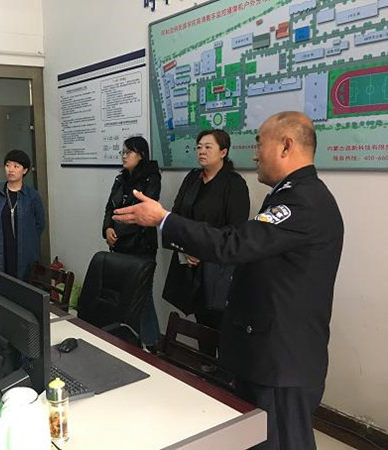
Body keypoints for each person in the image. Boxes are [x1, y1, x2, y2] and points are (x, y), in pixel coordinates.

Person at [112, 112, 344, 450]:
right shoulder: (288, 194)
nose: (254, 154)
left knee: (282, 442)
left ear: (286, 146)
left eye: (260, 145)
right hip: (264, 354)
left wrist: (164, 220)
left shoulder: (304, 201)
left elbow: (233, 244)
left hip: (282, 361)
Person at [163, 129, 249, 357]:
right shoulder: (193, 178)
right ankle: (205, 364)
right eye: (199, 147)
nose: (201, 151)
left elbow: (236, 230)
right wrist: (186, 250)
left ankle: (221, 371)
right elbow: (176, 217)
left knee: (219, 322)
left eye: (208, 147)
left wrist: (202, 251)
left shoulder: (234, 184)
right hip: (190, 263)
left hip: (217, 268)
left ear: (223, 152)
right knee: (200, 319)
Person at [102, 136, 161, 352]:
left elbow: (143, 215)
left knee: (143, 296)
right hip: (119, 247)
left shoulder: (151, 179)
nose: (124, 156)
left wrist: (117, 231)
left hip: (141, 246)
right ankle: (128, 339)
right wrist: (107, 229)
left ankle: (151, 343)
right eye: (123, 152)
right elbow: (110, 208)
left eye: (129, 152)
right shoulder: (120, 179)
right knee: (123, 295)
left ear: (141, 155)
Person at [0, 150, 45, 282]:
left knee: (24, 286)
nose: (11, 169)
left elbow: (40, 224)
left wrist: (28, 240)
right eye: (8, 165)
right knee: (2, 285)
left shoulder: (32, 196)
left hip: (25, 253)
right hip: (1, 251)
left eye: (16, 166)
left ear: (25, 170)